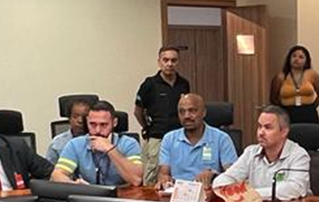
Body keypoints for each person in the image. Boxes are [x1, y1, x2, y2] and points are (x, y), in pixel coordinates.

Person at [212, 105, 310, 200]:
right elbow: (228, 177)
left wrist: (251, 194)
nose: (261, 133)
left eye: (268, 128)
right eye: (259, 127)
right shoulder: (250, 152)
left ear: (284, 132)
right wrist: (222, 187)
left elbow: (294, 189)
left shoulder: (298, 155)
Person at [52, 100, 144, 187]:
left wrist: (110, 149)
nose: (98, 130)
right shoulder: (75, 144)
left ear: (114, 122)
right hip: (88, 198)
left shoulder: (129, 144)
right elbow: (57, 175)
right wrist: (74, 185)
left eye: (103, 125)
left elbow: (136, 179)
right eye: (92, 124)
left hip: (120, 198)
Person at [134, 46, 190, 185]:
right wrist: (147, 127)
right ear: (159, 62)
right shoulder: (149, 84)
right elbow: (138, 111)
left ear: (178, 62)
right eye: (166, 60)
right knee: (152, 175)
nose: (169, 64)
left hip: (179, 137)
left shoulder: (183, 84)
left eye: (173, 60)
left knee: (177, 172)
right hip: (157, 137)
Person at [157, 93, 238, 188]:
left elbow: (232, 176)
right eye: (182, 112)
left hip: (208, 193)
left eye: (192, 111)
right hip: (177, 194)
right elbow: (163, 173)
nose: (186, 116)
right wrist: (164, 179)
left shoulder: (222, 139)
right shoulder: (169, 139)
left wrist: (214, 175)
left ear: (203, 112)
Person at [269, 44, 319, 125]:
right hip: (287, 113)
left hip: (308, 113)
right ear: (289, 59)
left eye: (301, 57)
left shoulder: (312, 75)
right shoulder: (280, 77)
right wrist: (283, 109)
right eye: (294, 56)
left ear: (306, 61)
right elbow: (273, 98)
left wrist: (312, 107)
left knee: (309, 136)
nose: (296, 59)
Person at [45, 97, 91, 164]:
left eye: (84, 117)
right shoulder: (57, 143)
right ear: (69, 118)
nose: (80, 120)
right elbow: (49, 170)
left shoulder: (98, 141)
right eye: (75, 116)